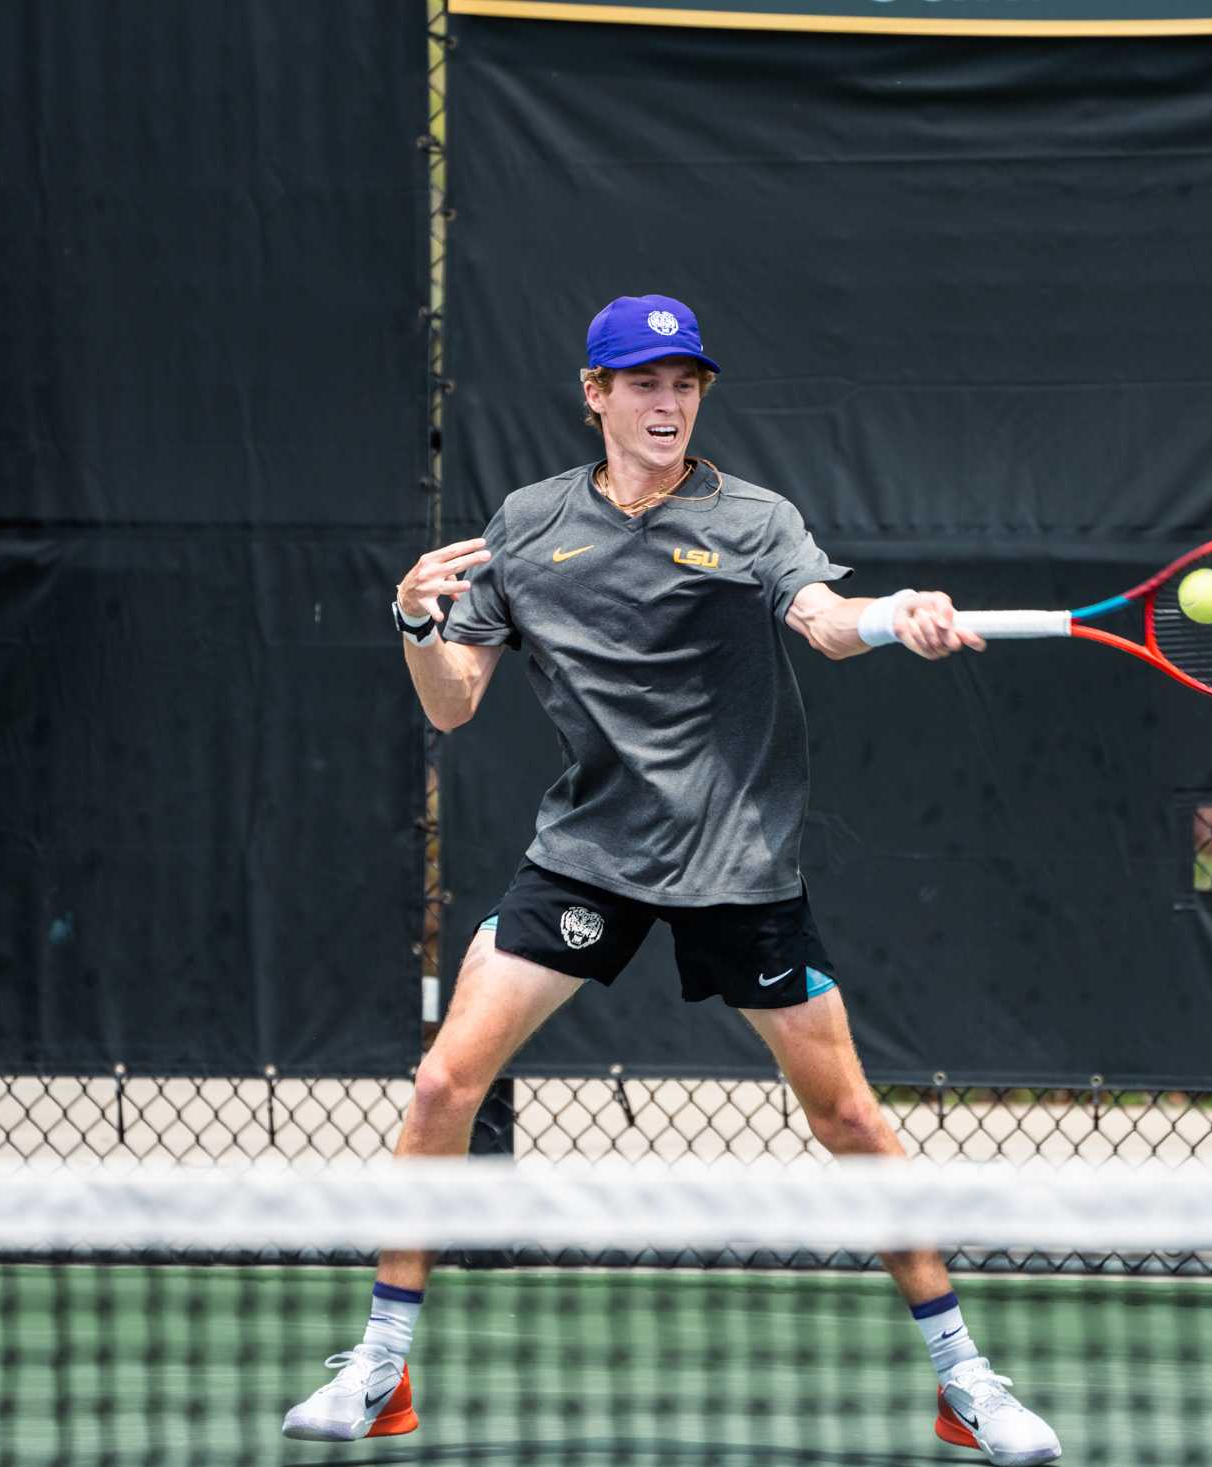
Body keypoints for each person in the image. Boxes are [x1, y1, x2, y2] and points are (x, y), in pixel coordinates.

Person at [281, 294, 1061, 1466]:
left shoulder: (750, 518)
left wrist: (900, 617)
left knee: (846, 1117)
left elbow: (826, 622)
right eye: (642, 382)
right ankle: (382, 1369)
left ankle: (963, 1382)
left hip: (736, 861)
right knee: (444, 1084)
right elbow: (452, 703)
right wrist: (410, 617)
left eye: (685, 382)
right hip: (589, 851)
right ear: (594, 395)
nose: (667, 402)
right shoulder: (528, 525)